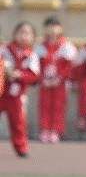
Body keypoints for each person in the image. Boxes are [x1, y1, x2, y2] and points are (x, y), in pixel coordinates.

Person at [0, 22, 40, 157]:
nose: (24, 36)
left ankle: (21, 147)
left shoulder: (31, 55)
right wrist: (4, 70)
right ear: (14, 34)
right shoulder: (5, 50)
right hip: (1, 92)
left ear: (33, 37)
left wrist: (19, 74)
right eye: (21, 32)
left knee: (18, 122)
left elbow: (34, 76)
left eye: (27, 33)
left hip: (16, 95)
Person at [36, 16, 77, 143]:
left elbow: (69, 67)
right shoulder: (40, 47)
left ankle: (55, 130)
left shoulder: (66, 46)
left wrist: (59, 78)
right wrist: (43, 79)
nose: (52, 30)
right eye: (49, 27)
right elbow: (37, 65)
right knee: (44, 105)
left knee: (58, 106)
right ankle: (45, 129)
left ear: (60, 29)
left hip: (61, 83)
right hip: (45, 82)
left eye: (55, 27)